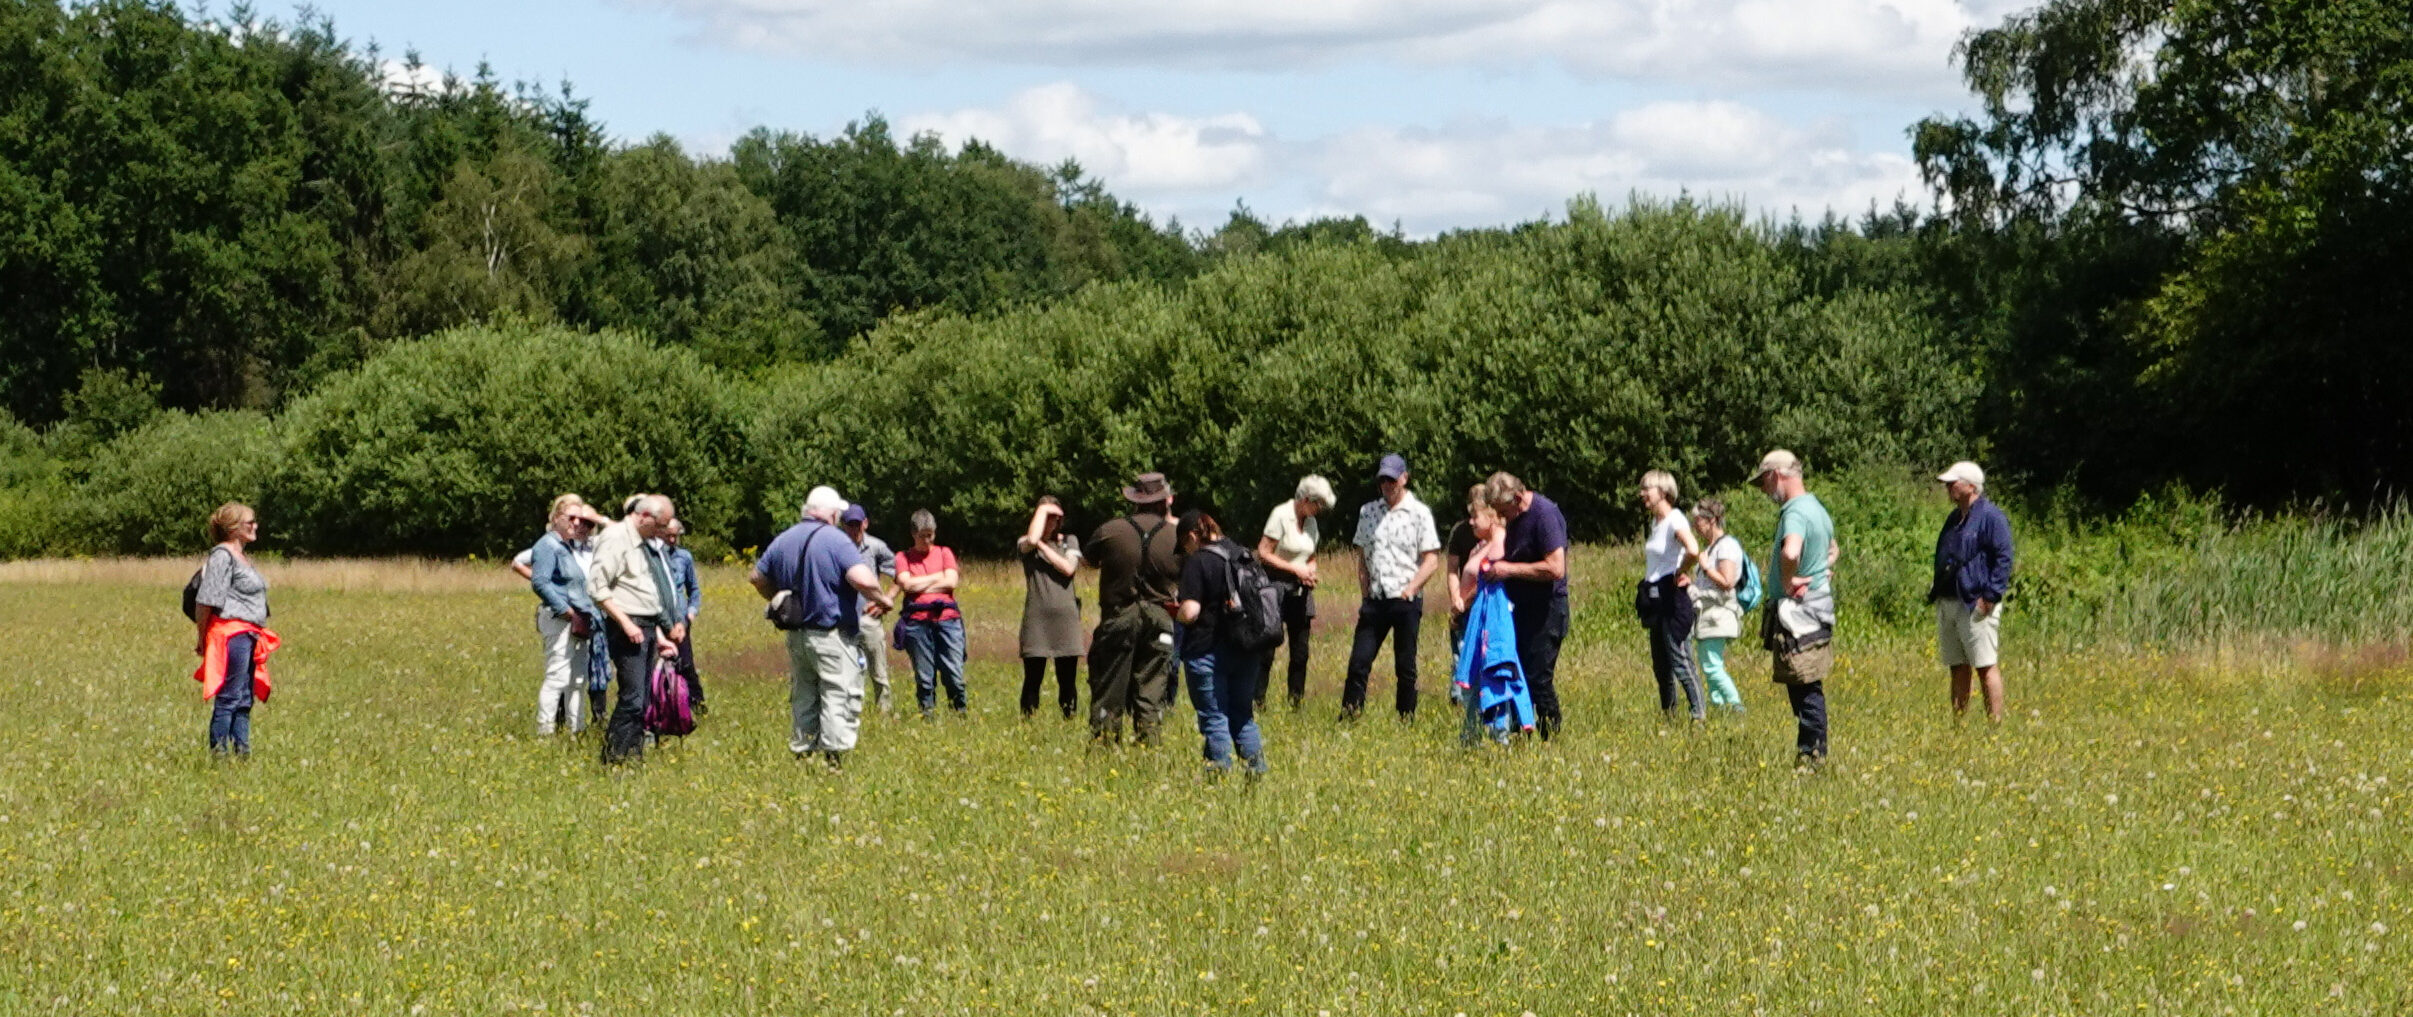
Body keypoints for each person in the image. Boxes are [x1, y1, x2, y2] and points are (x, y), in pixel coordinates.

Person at [750, 486, 896, 768]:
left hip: (796, 635)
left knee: (804, 694)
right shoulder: (837, 540)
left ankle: (803, 756)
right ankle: (834, 762)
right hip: (831, 635)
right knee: (837, 693)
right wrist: (881, 599)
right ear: (830, 513)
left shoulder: (784, 539)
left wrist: (777, 598)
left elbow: (756, 577)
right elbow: (863, 579)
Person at [1751, 450, 1838, 770]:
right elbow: (1833, 549)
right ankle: (1811, 753)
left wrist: (1788, 582)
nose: (1764, 490)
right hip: (1815, 611)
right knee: (1805, 684)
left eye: (1764, 482)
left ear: (1776, 474)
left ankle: (1812, 756)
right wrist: (1820, 571)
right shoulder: (1817, 508)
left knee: (1805, 686)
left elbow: (1791, 551)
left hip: (1799, 616)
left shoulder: (1795, 511)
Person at [1342, 454, 1442, 721]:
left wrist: (1411, 589)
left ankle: (1406, 718)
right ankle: (1350, 716)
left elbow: (1432, 559)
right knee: (1359, 662)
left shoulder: (1419, 513)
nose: (1387, 484)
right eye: (1383, 479)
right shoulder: (1368, 511)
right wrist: (1365, 593)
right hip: (1375, 599)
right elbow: (1362, 557)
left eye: (1392, 479)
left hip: (1405, 599)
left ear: (1404, 478)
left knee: (1405, 665)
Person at [586, 494, 685, 765]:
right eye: (660, 525)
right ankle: (613, 758)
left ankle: (633, 755)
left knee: (643, 701)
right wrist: (626, 623)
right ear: (644, 516)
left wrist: (662, 635)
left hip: (647, 626)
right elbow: (597, 587)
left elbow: (647, 593)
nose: (662, 532)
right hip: (628, 627)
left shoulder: (642, 542)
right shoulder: (616, 538)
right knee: (632, 698)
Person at [1084, 471, 1181, 746]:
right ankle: (1149, 747)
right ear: (1165, 501)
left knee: (1109, 688)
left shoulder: (1110, 530)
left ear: (1136, 500)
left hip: (1118, 617)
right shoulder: (1177, 537)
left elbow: (1089, 561)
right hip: (1160, 619)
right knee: (1152, 691)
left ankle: (1104, 747)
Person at [1175, 509, 1268, 776]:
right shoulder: (1242, 554)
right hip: (1246, 648)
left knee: (1215, 719)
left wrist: (1178, 610)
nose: (1186, 551)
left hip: (1207, 651)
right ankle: (1256, 772)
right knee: (1243, 716)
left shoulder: (1199, 561)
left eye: (1185, 544)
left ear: (1194, 535)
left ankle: (1218, 779)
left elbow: (1191, 611)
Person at [1486, 472, 1570, 740]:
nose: (1502, 518)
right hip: (1522, 608)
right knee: (1518, 672)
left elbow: (1556, 568)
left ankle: (1551, 736)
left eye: (1504, 512)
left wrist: (1508, 570)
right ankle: (1520, 731)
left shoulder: (1544, 515)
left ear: (1518, 498)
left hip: (1547, 609)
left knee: (1537, 677)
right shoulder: (1515, 517)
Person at [192, 502, 279, 756]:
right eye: (249, 522)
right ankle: (219, 754)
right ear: (233, 528)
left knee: (244, 698)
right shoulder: (222, 556)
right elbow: (206, 600)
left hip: (249, 634)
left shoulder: (241, 557)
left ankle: (242, 753)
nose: (255, 526)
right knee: (230, 697)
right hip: (232, 635)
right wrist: (201, 637)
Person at [1931, 460, 2014, 722]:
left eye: (1952, 483)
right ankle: (1959, 725)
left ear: (1970, 486)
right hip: (1951, 601)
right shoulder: (1954, 518)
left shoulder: (1991, 517)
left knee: (1985, 666)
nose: (1948, 488)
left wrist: (1989, 597)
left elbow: (2004, 557)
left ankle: (1995, 724)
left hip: (1974, 602)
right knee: (1958, 667)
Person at [529, 494, 608, 735]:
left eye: (579, 518)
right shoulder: (547, 545)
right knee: (557, 677)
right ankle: (546, 732)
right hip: (560, 620)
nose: (576, 523)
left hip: (580, 621)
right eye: (570, 518)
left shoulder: (565, 547)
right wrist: (566, 610)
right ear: (555, 518)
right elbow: (540, 582)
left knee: (578, 680)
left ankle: (577, 729)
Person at [1256, 475, 1334, 709]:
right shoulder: (1280, 514)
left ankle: (1295, 703)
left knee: (1301, 652)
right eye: (1318, 505)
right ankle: (1257, 702)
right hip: (1274, 587)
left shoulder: (1311, 522)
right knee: (1267, 649)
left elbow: (1310, 556)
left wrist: (1310, 571)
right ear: (1306, 499)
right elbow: (1263, 552)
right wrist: (1294, 569)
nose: (1320, 510)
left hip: (1301, 590)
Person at [1636, 470, 1706, 721]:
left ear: (1663, 492)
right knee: (1661, 665)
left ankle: (1698, 715)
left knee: (1681, 659)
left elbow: (1694, 549)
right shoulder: (1656, 523)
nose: (1642, 493)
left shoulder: (1675, 519)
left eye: (1647, 488)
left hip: (1673, 598)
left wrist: (1680, 571)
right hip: (1655, 598)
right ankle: (1669, 716)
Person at [1017, 496, 1085, 719]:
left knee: (1068, 679)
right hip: (1037, 620)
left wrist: (1044, 547)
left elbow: (1068, 568)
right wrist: (1044, 510)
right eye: (1046, 517)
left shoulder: (1070, 541)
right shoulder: (1025, 544)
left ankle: (1069, 720)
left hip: (1066, 621)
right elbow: (1033, 538)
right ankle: (1028, 722)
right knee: (1032, 678)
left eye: (1055, 518)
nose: (1051, 523)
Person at [895, 509, 967, 717]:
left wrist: (919, 585)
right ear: (913, 534)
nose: (927, 540)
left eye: (931, 535)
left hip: (948, 620)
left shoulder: (945, 553)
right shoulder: (903, 557)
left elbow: (951, 581)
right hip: (917, 623)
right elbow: (906, 584)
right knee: (925, 676)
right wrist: (938, 579)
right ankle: (927, 715)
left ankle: (959, 713)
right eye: (922, 536)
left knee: (954, 672)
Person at [1688, 498, 1747, 713]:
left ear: (1712, 520)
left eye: (1698, 521)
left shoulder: (1727, 546)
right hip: (1707, 614)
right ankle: (1719, 709)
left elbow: (1727, 581)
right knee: (1708, 664)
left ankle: (1736, 706)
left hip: (1718, 614)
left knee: (1712, 666)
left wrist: (1704, 566)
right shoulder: (1712, 548)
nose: (1695, 526)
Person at [840, 504, 899, 713]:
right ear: (843, 526)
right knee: (846, 671)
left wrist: (885, 600)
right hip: (842, 620)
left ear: (865, 523)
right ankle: (849, 713)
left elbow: (900, 574)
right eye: (850, 525)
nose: (855, 529)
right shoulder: (836, 547)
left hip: (869, 619)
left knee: (879, 671)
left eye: (858, 524)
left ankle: (883, 714)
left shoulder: (875, 547)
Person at [1444, 484, 1489, 706]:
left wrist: (1467, 598)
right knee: (1459, 653)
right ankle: (1458, 698)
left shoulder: (1495, 536)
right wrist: (1456, 599)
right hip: (1463, 602)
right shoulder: (1460, 532)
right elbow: (1452, 569)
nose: (1472, 519)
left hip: (1482, 600)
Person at [662, 519, 706, 715]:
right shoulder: (655, 557)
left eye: (675, 536)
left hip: (682, 621)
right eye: (668, 535)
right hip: (661, 621)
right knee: (662, 666)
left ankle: (696, 705)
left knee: (686, 664)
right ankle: (666, 707)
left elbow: (694, 590)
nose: (672, 539)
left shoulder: (684, 557)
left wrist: (692, 611)